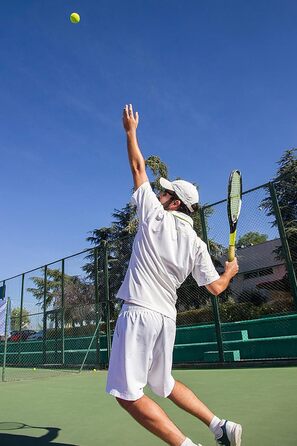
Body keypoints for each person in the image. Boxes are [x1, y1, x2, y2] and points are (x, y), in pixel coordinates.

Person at [106, 104, 242, 446]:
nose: (159, 193)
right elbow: (215, 288)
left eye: (164, 192)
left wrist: (130, 131)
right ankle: (219, 425)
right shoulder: (196, 244)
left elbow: (138, 166)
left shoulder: (155, 215)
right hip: (167, 319)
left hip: (138, 312)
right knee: (163, 384)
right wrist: (230, 272)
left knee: (126, 395)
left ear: (174, 203)